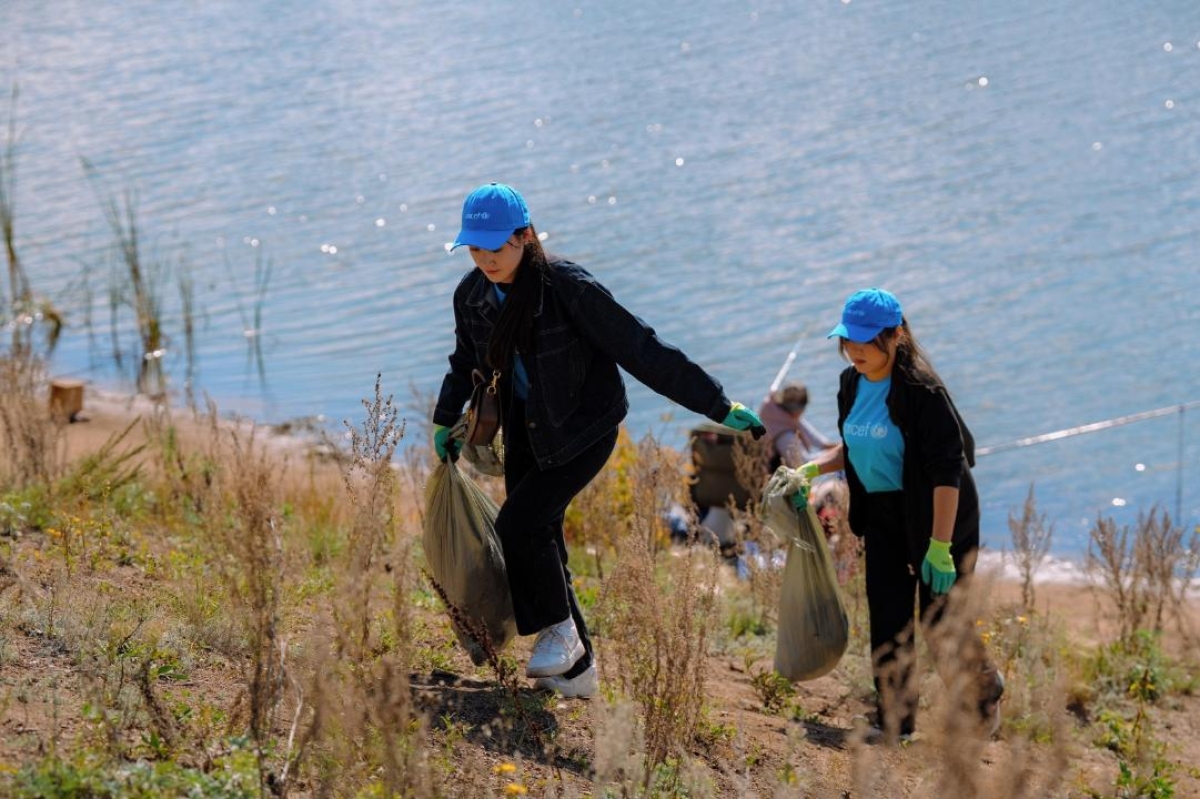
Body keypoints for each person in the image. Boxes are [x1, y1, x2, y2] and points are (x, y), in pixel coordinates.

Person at [431, 183, 765, 699]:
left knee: (519, 524)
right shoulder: (471, 296)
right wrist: (443, 419)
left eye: (494, 248)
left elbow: (641, 348)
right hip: (525, 430)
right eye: (474, 249)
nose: (484, 259)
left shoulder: (566, 288)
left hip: (584, 429)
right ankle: (579, 671)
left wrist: (716, 403)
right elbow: (464, 361)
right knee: (544, 538)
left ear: (525, 236)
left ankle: (560, 635)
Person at [792, 287, 1004, 742]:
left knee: (939, 619)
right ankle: (896, 720)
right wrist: (810, 469)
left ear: (896, 335)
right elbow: (856, 444)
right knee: (888, 616)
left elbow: (948, 471)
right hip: (885, 512)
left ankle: (983, 696)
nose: (854, 351)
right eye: (848, 341)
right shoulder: (851, 383)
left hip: (938, 509)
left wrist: (940, 546)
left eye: (866, 342)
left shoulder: (922, 392)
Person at [757, 381, 837, 472]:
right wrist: (838, 456)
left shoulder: (788, 418)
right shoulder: (784, 436)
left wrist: (846, 448)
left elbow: (823, 444)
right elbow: (803, 463)